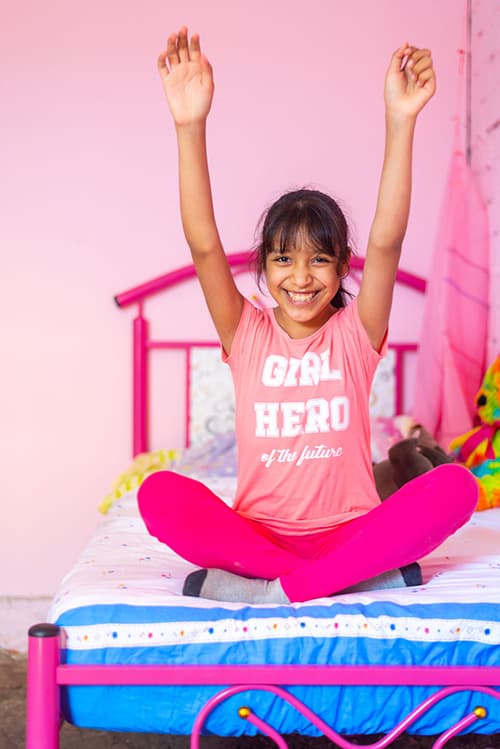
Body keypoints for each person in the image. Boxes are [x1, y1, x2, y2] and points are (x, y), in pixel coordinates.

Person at [138, 27, 478, 604]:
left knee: (454, 487)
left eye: (320, 260)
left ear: (344, 266)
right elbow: (203, 248)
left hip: (351, 531)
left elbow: (389, 243)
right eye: (283, 260)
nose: (301, 278)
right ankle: (344, 579)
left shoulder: (355, 334)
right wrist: (189, 126)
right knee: (159, 494)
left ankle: (275, 591)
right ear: (264, 270)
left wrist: (401, 121)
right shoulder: (246, 333)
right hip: (261, 534)